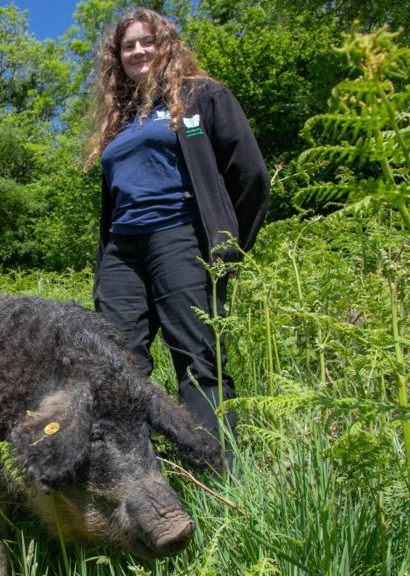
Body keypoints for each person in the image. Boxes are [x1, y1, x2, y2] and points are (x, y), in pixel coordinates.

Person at [87, 8, 270, 460]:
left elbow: (250, 176)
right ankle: (134, 481)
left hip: (181, 239)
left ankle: (219, 477)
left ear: (165, 44)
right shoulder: (121, 120)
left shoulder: (201, 96)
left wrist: (226, 246)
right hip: (122, 252)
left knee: (199, 359)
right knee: (114, 366)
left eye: (146, 41)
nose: (137, 51)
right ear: (118, 57)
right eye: (127, 46)